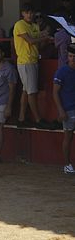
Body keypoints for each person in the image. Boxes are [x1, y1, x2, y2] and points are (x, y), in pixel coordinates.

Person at [13, 3, 49, 127]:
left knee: (25, 90)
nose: (30, 15)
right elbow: (31, 41)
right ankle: (38, 120)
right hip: (25, 61)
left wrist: (46, 37)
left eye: (31, 12)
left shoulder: (35, 26)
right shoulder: (19, 25)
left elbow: (38, 46)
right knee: (31, 92)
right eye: (27, 12)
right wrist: (44, 37)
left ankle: (21, 118)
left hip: (33, 60)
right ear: (23, 13)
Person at [55, 45, 75, 174]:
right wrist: (61, 110)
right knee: (68, 137)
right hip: (68, 109)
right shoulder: (62, 71)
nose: (72, 59)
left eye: (74, 57)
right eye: (70, 56)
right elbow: (55, 92)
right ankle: (67, 164)